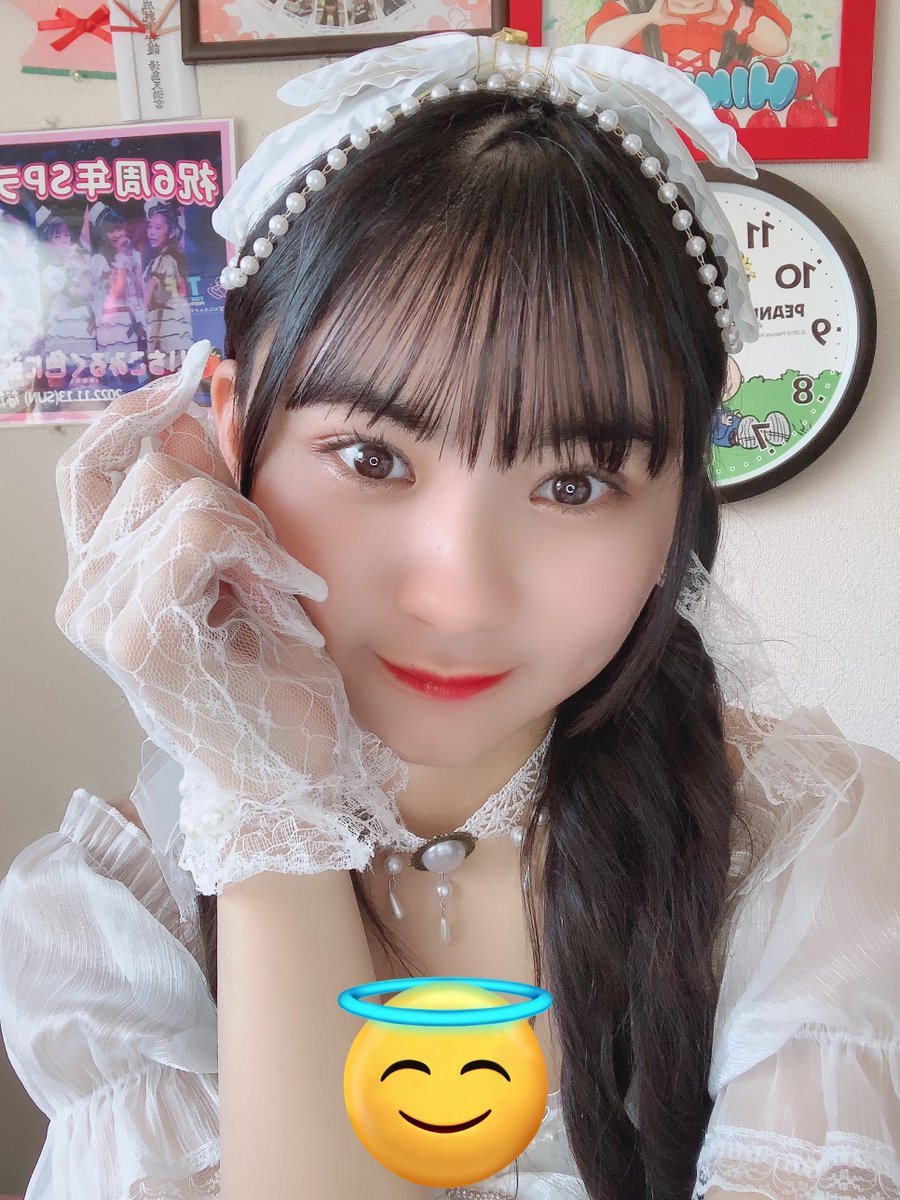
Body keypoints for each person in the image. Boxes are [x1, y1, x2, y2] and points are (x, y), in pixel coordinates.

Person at [0, 28, 898, 1200]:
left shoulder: (808, 851)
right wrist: (270, 809)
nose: (458, 595)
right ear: (224, 435)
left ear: (683, 494)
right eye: (372, 457)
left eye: (575, 484)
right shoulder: (114, 918)